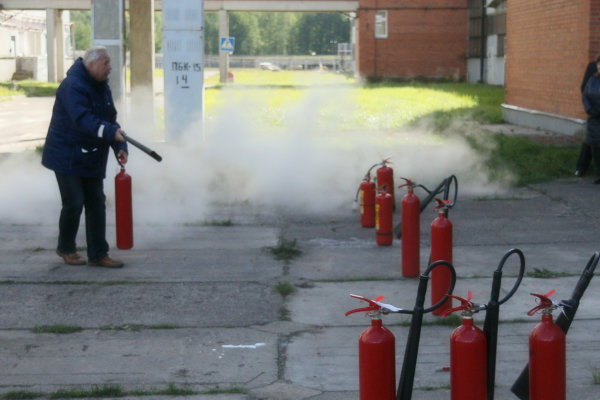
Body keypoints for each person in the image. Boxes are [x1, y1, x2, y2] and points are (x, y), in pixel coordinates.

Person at [42, 46, 128, 267]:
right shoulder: (73, 86)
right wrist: (110, 133)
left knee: (96, 202)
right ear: (91, 65)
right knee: (74, 202)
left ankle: (98, 254)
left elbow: (109, 120)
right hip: (66, 155)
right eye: (106, 63)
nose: (110, 68)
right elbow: (83, 120)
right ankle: (66, 247)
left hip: (90, 156)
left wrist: (120, 145)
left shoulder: (101, 86)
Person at [575, 55, 600, 178]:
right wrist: (590, 108)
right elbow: (584, 89)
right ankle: (581, 168)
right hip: (594, 112)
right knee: (590, 141)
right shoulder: (592, 67)